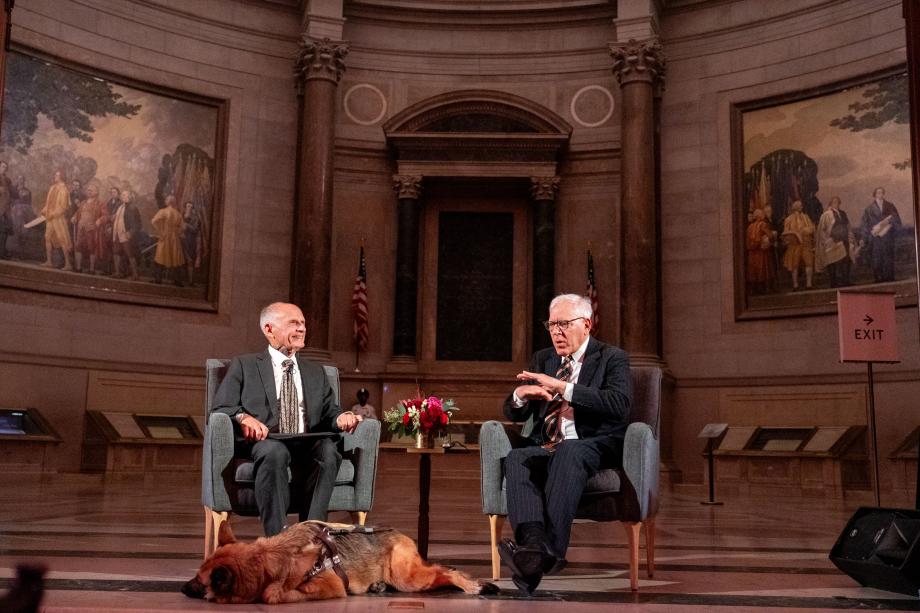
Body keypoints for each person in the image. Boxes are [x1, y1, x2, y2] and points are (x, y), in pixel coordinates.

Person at [498, 293, 631, 594]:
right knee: (517, 458)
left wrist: (565, 388)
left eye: (564, 324)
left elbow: (619, 404)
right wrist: (521, 395)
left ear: (586, 324)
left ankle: (551, 551)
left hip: (593, 443)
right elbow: (510, 410)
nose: (556, 332)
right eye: (551, 324)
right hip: (548, 445)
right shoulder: (543, 358)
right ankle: (535, 547)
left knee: (570, 450)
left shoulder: (612, 358)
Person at [211, 302, 363, 536]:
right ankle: (279, 539)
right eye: (294, 323)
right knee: (274, 452)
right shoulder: (245, 365)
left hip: (308, 439)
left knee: (328, 450)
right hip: (268, 439)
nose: (302, 328)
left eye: (303, 323)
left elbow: (329, 412)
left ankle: (311, 536)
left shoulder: (315, 371)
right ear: (269, 329)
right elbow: (222, 407)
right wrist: (243, 417)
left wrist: (343, 416)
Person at [859, 187, 902, 283]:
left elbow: (896, 219)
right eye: (878, 193)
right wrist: (863, 237)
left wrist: (889, 222)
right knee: (877, 258)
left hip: (887, 236)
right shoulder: (869, 209)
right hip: (876, 238)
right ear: (874, 195)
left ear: (884, 194)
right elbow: (865, 224)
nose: (880, 194)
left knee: (888, 257)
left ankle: (889, 278)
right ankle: (878, 278)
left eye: (882, 192)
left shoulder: (890, 205)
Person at [40, 170, 74, 271]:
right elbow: (48, 203)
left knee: (62, 239)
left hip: (58, 218)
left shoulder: (64, 190)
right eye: (55, 174)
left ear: (62, 177)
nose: (55, 176)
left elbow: (63, 207)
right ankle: (49, 261)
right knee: (47, 237)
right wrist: (44, 211)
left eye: (57, 175)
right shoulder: (52, 188)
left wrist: (52, 214)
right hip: (50, 218)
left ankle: (68, 264)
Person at [815, 196, 851, 288]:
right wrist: (827, 240)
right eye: (834, 202)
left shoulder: (842, 213)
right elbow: (822, 230)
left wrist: (849, 237)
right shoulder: (826, 215)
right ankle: (834, 282)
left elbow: (847, 226)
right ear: (830, 203)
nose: (836, 204)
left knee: (845, 261)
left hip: (843, 240)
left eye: (838, 202)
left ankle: (845, 281)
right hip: (832, 242)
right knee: (833, 263)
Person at [781, 200, 815, 291]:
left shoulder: (806, 217)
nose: (801, 207)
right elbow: (785, 232)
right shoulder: (788, 219)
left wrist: (807, 230)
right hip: (794, 245)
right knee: (794, 265)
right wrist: (794, 234)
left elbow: (812, 228)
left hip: (806, 244)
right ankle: (795, 285)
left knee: (809, 263)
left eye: (801, 205)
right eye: (800, 205)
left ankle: (809, 284)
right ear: (795, 207)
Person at [150, 195, 185, 285]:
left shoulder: (163, 211)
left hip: (165, 237)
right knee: (174, 258)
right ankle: (178, 281)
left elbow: (153, 221)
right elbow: (183, 227)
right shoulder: (178, 213)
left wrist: (160, 232)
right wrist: (177, 233)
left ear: (168, 202)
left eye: (166, 200)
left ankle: (158, 279)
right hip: (174, 239)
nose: (165, 201)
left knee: (160, 257)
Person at [71, 184, 103, 274]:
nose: (89, 192)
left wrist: (100, 220)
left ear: (96, 192)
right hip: (81, 227)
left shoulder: (100, 203)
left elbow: (105, 215)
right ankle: (78, 267)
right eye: (88, 190)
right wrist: (74, 217)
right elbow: (78, 213)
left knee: (91, 247)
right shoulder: (83, 202)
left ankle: (92, 269)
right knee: (78, 246)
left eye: (91, 190)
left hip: (91, 228)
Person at [112, 189, 141, 280]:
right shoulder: (120, 206)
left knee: (130, 254)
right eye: (122, 195)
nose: (122, 197)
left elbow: (137, 223)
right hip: (117, 234)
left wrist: (131, 233)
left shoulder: (132, 208)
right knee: (116, 253)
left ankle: (135, 275)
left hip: (126, 234)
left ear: (129, 197)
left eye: (125, 195)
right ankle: (118, 272)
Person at [745, 208, 775, 295]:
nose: (764, 215)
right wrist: (773, 236)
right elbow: (770, 235)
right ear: (759, 216)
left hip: (752, 252)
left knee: (753, 271)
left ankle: (754, 289)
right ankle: (766, 289)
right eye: (762, 214)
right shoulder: (763, 224)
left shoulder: (749, 227)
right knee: (764, 270)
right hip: (762, 251)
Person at [9, 175, 35, 260]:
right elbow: (10, 201)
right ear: (17, 179)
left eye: (22, 179)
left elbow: (29, 205)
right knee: (14, 233)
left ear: (24, 180)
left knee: (24, 233)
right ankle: (13, 254)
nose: (20, 180)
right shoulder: (13, 190)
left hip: (24, 215)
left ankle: (20, 254)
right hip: (14, 213)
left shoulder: (28, 191)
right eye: (19, 179)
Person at [180, 201, 202, 286]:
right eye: (188, 206)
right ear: (185, 207)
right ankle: (180, 280)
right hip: (181, 241)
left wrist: (187, 225)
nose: (189, 208)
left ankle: (190, 281)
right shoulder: (180, 216)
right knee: (180, 261)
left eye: (191, 207)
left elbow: (195, 230)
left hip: (190, 242)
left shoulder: (196, 218)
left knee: (190, 261)